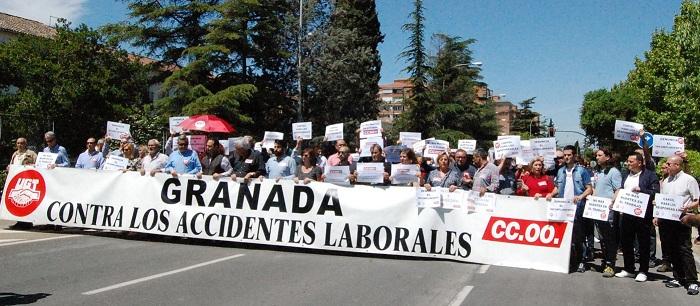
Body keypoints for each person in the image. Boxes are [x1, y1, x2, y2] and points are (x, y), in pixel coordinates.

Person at [655, 155, 699, 295]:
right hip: (667, 220)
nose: (666, 166)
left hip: (682, 220)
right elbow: (663, 200)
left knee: (684, 249)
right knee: (671, 249)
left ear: (678, 165)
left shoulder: (688, 180)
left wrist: (687, 208)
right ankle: (678, 277)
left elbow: (697, 200)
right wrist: (657, 213)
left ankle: (692, 281)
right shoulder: (666, 181)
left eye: (669, 163)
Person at [613, 152, 659, 282]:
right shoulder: (625, 175)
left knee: (643, 243)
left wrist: (642, 190)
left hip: (642, 215)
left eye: (631, 161)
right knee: (626, 241)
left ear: (639, 162)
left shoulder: (650, 175)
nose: (628, 163)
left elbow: (655, 193)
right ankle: (629, 268)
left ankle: (643, 270)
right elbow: (621, 190)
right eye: (627, 161)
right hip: (626, 214)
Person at [555, 145, 593, 273]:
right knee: (566, 236)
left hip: (577, 208)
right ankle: (570, 261)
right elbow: (557, 187)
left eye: (569, 155)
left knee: (579, 236)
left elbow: (589, 188)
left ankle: (582, 261)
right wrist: (551, 194)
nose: (566, 157)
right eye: (564, 155)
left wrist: (581, 196)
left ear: (574, 156)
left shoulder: (582, 171)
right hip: (563, 207)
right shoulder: (560, 171)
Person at [590, 148, 622, 278]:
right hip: (597, 208)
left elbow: (618, 189)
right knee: (602, 237)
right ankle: (605, 261)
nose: (597, 157)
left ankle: (611, 264)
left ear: (607, 157)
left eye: (599, 155)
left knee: (609, 238)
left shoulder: (614, 172)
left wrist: (613, 202)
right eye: (596, 155)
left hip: (607, 209)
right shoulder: (598, 171)